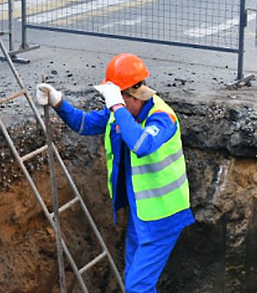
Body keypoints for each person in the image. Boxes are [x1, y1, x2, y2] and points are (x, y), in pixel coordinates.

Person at [36, 53, 194, 292]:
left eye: (116, 99)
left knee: (137, 286)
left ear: (131, 96)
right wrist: (59, 102)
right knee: (134, 277)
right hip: (140, 213)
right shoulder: (122, 113)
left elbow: (141, 145)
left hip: (163, 217)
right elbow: (85, 123)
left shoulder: (162, 118)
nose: (111, 107)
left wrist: (117, 105)